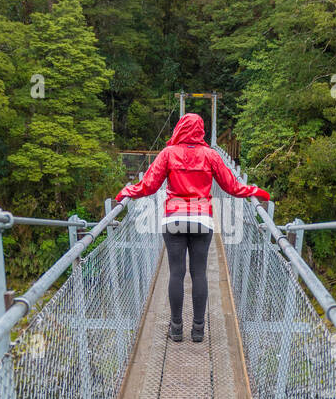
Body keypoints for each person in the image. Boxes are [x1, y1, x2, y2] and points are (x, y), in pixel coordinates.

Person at [115, 113, 270, 342]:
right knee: (199, 274)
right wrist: (256, 191)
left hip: (173, 219)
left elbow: (148, 186)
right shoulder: (210, 155)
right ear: (201, 131)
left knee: (176, 273)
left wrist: (126, 192)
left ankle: (176, 328)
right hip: (201, 219)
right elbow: (231, 187)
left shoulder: (168, 154)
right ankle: (198, 330)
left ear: (179, 128)